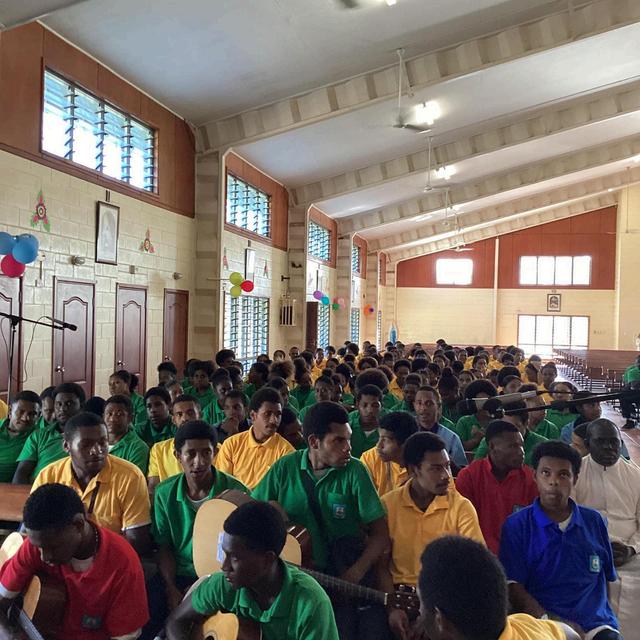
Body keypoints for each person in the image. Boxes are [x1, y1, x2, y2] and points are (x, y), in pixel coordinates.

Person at [253, 401, 390, 640]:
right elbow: (251, 509)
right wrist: (272, 512)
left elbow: (380, 535)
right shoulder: (285, 467)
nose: (348, 447)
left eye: (349, 439)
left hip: (341, 574)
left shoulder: (355, 471)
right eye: (338, 441)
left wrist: (355, 573)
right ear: (314, 442)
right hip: (296, 577)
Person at [164, 500, 339, 640]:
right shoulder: (223, 585)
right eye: (225, 554)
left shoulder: (311, 604)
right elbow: (176, 621)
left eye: (235, 558)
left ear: (267, 559)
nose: (224, 566)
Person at [499, 441, 620, 639]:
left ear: (575, 479)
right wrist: (552, 622)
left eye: (563, 475)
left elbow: (605, 577)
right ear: (535, 476)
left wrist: (604, 619)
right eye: (546, 473)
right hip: (544, 625)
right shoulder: (517, 525)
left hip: (596, 625)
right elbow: (514, 586)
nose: (553, 481)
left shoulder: (594, 521)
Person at [0, 483, 149, 639]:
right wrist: (10, 636)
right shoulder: (37, 544)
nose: (44, 557)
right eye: (39, 548)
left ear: (78, 524)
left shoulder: (123, 565)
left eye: (54, 547)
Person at [146, 421, 249, 639]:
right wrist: (171, 587)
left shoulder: (236, 491)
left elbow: (244, 551)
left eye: (206, 453)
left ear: (216, 452)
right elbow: (164, 546)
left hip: (222, 578)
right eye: (190, 454)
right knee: (151, 609)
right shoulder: (164, 493)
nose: (199, 462)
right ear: (177, 455)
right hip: (179, 575)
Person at [380, 431, 484, 639]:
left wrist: (431, 614)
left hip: (445, 602)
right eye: (436, 468)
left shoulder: (461, 507)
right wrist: (392, 609)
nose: (446, 475)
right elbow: (381, 566)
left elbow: (473, 568)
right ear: (413, 470)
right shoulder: (388, 505)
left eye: (447, 466)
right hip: (397, 598)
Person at [31, 412, 152, 555]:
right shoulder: (49, 475)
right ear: (66, 446)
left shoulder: (129, 476)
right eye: (86, 445)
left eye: (103, 442)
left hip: (110, 558)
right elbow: (35, 528)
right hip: (59, 557)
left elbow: (136, 541)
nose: (96, 450)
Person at [415, 536, 578, 640]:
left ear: (440, 621)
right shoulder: (525, 625)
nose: (420, 611)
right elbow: (569, 633)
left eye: (421, 603)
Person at [575, 419, 640, 640]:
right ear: (587, 443)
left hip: (631, 552)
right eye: (601, 442)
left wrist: (631, 548)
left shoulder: (636, 475)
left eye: (614, 442)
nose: (609, 448)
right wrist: (599, 548)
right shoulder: (574, 474)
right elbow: (568, 521)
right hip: (588, 552)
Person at [456, 421, 538, 554]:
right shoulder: (469, 476)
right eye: (513, 446)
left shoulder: (530, 479)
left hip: (518, 555)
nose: (521, 452)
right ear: (492, 446)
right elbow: (462, 525)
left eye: (521, 446)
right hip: (477, 554)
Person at [215, 387, 294, 489]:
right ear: (253, 415)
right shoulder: (231, 445)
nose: (274, 420)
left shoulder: (287, 453)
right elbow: (222, 486)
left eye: (278, 414)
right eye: (267, 414)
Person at [13, 382, 85, 483]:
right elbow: (21, 473)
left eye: (69, 404)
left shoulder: (90, 436)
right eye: (58, 404)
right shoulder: (39, 435)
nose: (62, 409)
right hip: (38, 489)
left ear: (81, 406)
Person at [147, 394, 202, 494]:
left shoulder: (213, 449)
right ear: (173, 420)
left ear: (200, 415)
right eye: (179, 414)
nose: (185, 418)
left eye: (190, 413)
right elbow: (153, 488)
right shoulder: (158, 449)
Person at [473, 401, 547, 467]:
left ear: (526, 423)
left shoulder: (542, 445)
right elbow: (476, 467)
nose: (507, 432)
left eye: (513, 427)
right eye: (503, 426)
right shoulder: (491, 440)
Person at [360, 411, 417, 496]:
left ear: (405, 443)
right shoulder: (370, 458)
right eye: (379, 438)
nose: (378, 445)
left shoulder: (423, 465)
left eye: (385, 440)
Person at [414, 386, 467, 472]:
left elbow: (461, 471)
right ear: (414, 405)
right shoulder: (408, 434)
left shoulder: (451, 438)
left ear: (438, 407)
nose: (423, 408)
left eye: (429, 403)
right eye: (419, 403)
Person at [0, 391, 40, 482]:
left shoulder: (36, 437)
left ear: (38, 416)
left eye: (32, 414)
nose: (25, 418)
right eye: (21, 412)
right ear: (10, 411)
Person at [104, 394, 150, 474]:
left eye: (119, 414)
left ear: (130, 418)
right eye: (109, 414)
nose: (112, 419)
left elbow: (133, 478)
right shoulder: (95, 443)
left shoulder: (138, 448)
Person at [452, 380, 498, 453]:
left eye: (488, 400)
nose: (484, 405)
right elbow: (459, 449)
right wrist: (476, 439)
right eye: (480, 401)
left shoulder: (498, 420)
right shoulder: (464, 422)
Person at [348, 384, 384, 458]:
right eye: (364, 405)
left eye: (375, 406)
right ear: (357, 406)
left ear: (381, 407)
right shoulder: (348, 429)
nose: (370, 410)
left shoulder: (386, 433)